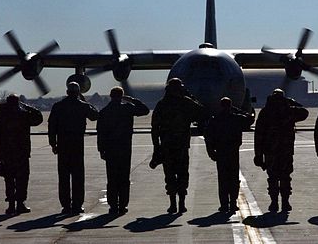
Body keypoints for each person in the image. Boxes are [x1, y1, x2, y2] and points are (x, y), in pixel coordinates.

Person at [151, 78, 204, 214]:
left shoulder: (162, 104)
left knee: (169, 175)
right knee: (182, 174)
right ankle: (181, 204)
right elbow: (201, 111)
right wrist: (189, 95)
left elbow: (154, 128)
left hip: (167, 146)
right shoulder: (186, 102)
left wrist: (156, 147)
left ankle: (173, 204)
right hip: (181, 146)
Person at [48, 82, 99, 214]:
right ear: (78, 93)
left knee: (63, 177)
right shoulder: (82, 106)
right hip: (77, 145)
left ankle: (65, 205)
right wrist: (84, 101)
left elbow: (52, 126)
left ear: (67, 92)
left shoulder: (58, 106)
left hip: (63, 145)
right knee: (78, 177)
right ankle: (77, 205)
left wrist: (53, 143)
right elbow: (95, 115)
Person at [97, 87, 149, 215]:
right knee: (124, 178)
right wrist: (131, 100)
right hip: (125, 148)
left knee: (112, 178)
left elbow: (100, 133)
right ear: (122, 96)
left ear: (110, 96)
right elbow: (145, 110)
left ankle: (113, 205)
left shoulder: (104, 111)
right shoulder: (127, 108)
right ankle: (123, 205)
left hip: (110, 149)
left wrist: (101, 150)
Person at [254, 89, 308, 212]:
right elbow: (304, 112)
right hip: (285, 151)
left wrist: (258, 155)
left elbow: (258, 135)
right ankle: (285, 202)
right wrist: (290, 102)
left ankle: (274, 203)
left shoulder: (265, 112)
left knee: (272, 178)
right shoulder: (289, 110)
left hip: (270, 152)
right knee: (285, 177)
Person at [0, 94, 43, 215]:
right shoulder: (23, 115)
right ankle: (20, 204)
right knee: (22, 179)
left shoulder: (1, 116)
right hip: (22, 153)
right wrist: (27, 106)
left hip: (7, 154)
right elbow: (38, 118)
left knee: (9, 179)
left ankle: (11, 205)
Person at [205, 97, 254, 213]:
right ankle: (232, 203)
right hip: (232, 152)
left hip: (221, 152)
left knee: (223, 179)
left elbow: (208, 137)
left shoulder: (215, 119)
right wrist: (237, 110)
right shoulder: (236, 118)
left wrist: (211, 151)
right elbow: (250, 119)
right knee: (233, 178)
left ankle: (224, 204)